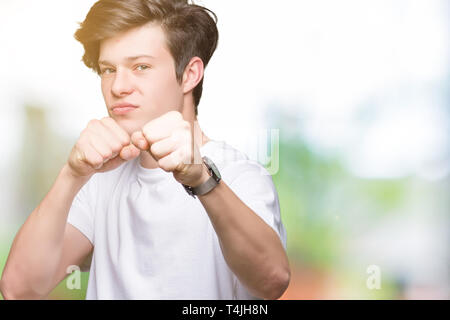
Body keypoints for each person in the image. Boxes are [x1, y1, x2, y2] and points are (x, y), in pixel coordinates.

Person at [0, 0, 290, 300]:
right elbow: (18, 290)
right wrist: (71, 174)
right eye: (108, 69)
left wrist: (202, 180)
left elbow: (273, 281)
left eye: (141, 66)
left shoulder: (240, 177)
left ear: (190, 74)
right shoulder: (98, 182)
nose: (118, 86)